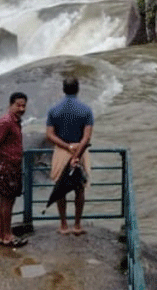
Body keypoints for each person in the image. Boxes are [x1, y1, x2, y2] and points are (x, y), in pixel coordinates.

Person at [46, 77, 93, 236]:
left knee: (61, 187)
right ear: (78, 88)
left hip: (61, 150)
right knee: (79, 187)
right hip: (80, 150)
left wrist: (66, 147)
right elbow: (87, 137)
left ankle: (64, 225)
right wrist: (77, 152)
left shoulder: (54, 110)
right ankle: (78, 225)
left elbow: (50, 135)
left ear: (63, 89)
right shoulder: (86, 110)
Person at [0, 92, 28, 247]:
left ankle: (1, 235)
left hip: (10, 165)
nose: (21, 108)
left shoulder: (15, 121)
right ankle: (7, 236)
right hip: (6, 166)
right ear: (10, 105)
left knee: (5, 201)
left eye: (23, 105)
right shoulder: (6, 121)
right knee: (7, 201)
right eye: (18, 105)